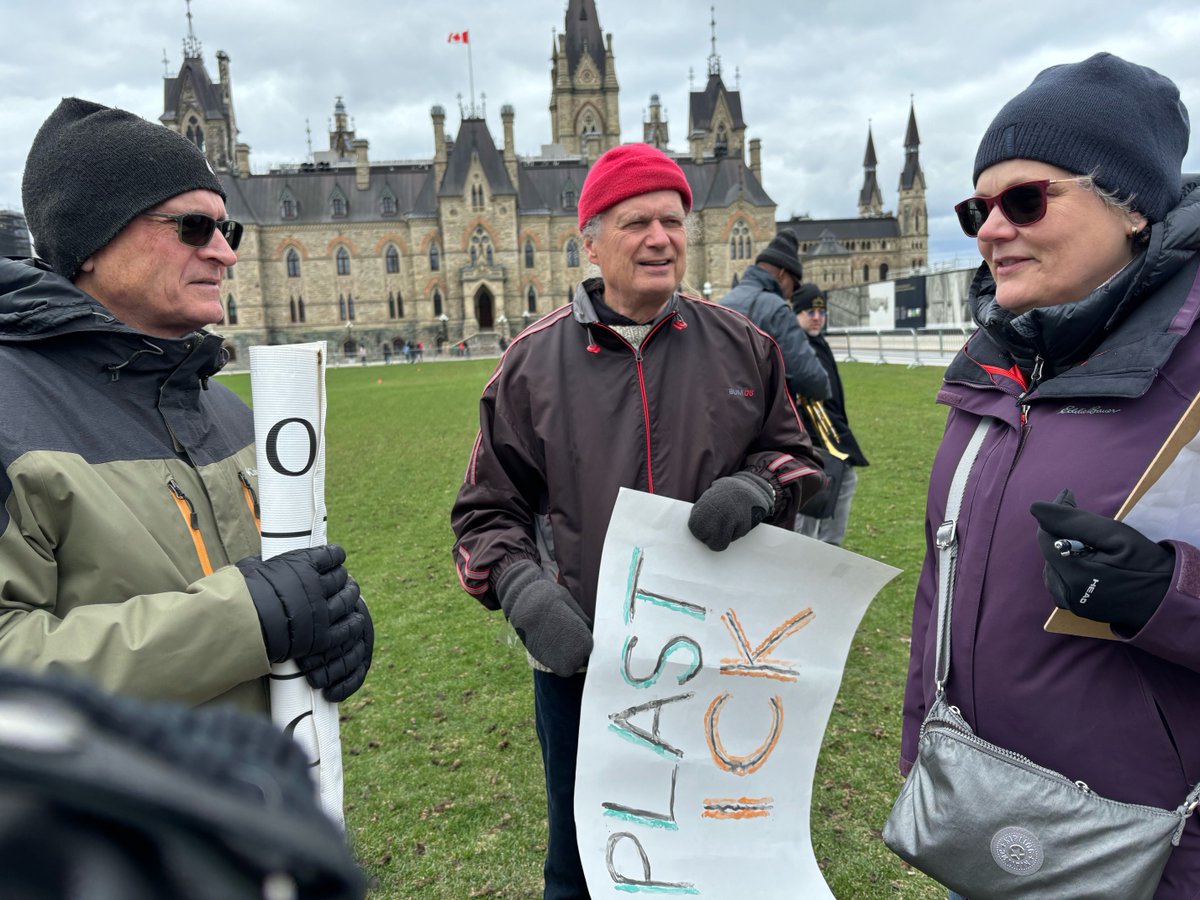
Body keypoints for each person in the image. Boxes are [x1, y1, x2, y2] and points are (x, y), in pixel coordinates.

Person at [450, 142, 822, 898]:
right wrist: (523, 592)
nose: (661, 237)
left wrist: (758, 487)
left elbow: (797, 459)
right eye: (636, 222)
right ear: (589, 241)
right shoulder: (530, 364)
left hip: (720, 662)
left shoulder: (745, 347)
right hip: (585, 667)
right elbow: (486, 513)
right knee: (586, 857)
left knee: (711, 857)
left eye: (673, 220)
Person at [898, 53, 1199, 896]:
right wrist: (922, 747)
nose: (991, 228)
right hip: (987, 824)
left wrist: (1165, 596)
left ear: (1132, 207)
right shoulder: (999, 358)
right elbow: (942, 581)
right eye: (978, 206)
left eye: (1027, 199)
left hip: (1146, 850)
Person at [0, 98, 372, 715]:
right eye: (193, 228)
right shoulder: (13, 418)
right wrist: (246, 621)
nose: (225, 254)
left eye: (228, 231)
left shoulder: (225, 409)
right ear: (93, 239)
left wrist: (332, 622)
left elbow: (280, 587)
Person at [791, 284, 868, 545]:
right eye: (809, 312)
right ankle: (808, 562)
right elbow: (806, 404)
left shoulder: (817, 343)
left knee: (838, 489)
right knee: (811, 508)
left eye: (821, 312)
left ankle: (826, 554)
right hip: (815, 443)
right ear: (795, 313)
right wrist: (835, 445)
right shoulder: (797, 347)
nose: (816, 317)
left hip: (828, 438)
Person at [718, 230, 831, 401]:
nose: (790, 294)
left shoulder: (721, 303)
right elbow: (810, 377)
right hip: (758, 418)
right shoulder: (775, 308)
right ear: (782, 274)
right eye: (794, 284)